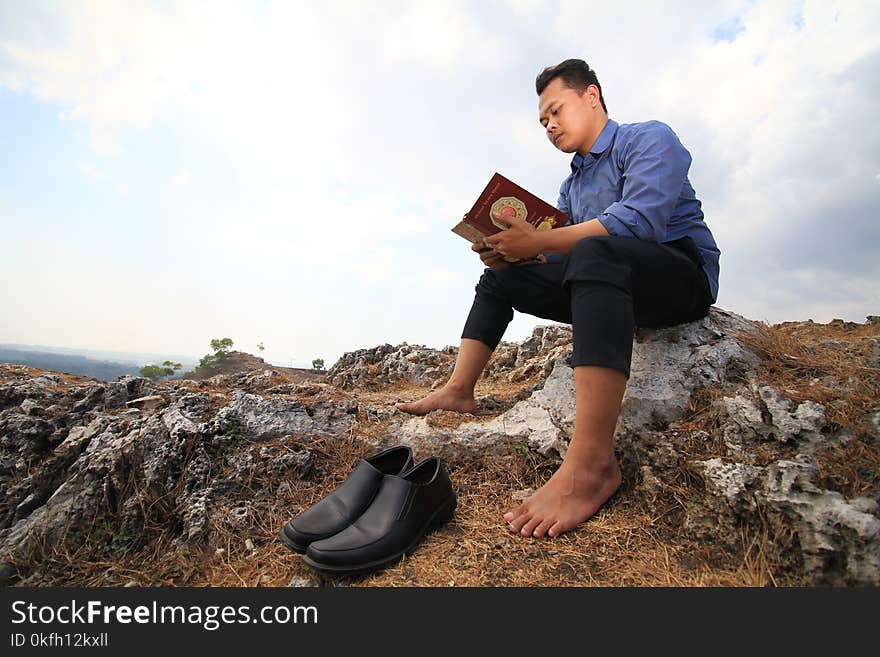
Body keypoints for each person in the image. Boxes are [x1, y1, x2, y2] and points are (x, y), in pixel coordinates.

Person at [396, 59, 720, 539]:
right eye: (542, 120)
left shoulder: (648, 138)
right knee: (503, 279)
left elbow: (641, 224)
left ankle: (591, 464)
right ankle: (459, 390)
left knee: (595, 250)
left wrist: (542, 243)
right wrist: (512, 254)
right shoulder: (572, 185)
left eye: (555, 110)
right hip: (609, 282)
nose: (549, 125)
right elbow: (561, 253)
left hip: (678, 275)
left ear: (591, 96)